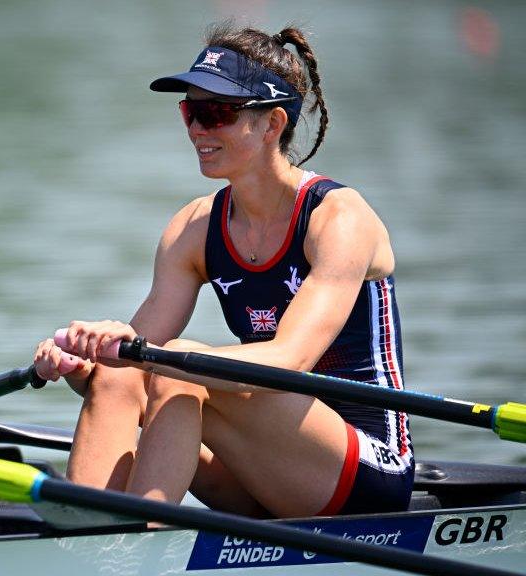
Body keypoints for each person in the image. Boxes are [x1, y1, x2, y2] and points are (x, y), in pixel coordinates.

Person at [34, 24, 414, 518]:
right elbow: (132, 364)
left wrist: (164, 357)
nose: (197, 130)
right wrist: (80, 362)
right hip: (263, 461)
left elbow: (289, 360)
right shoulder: (193, 227)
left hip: (365, 469)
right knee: (121, 373)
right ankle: (86, 537)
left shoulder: (339, 219)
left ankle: (135, 542)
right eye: (191, 112)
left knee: (180, 364)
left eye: (216, 114)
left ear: (273, 123)